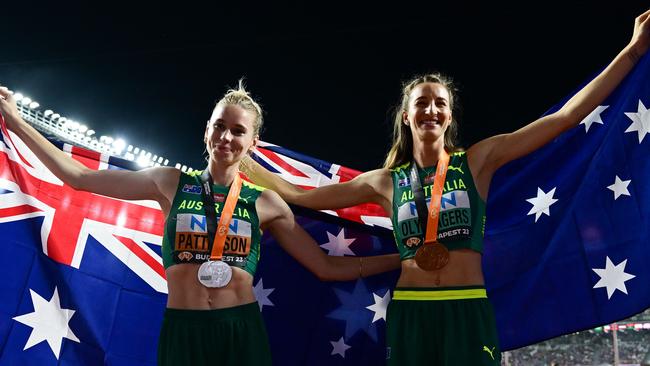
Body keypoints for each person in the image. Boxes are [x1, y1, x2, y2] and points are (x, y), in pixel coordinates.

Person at [241, 10, 650, 365]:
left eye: (439, 102)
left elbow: (564, 118)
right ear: (406, 115)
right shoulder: (385, 182)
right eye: (422, 102)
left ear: (449, 114)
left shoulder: (478, 160)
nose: (431, 109)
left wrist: (632, 52)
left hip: (466, 307)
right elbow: (301, 197)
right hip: (412, 311)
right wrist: (243, 155)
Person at [0, 82, 401, 366]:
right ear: (207, 129)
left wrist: (403, 260)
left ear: (253, 142)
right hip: (184, 328)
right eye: (219, 126)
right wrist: (18, 123)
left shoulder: (266, 203)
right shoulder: (168, 182)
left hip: (240, 330)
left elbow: (327, 267)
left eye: (238, 131)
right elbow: (79, 179)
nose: (226, 137)